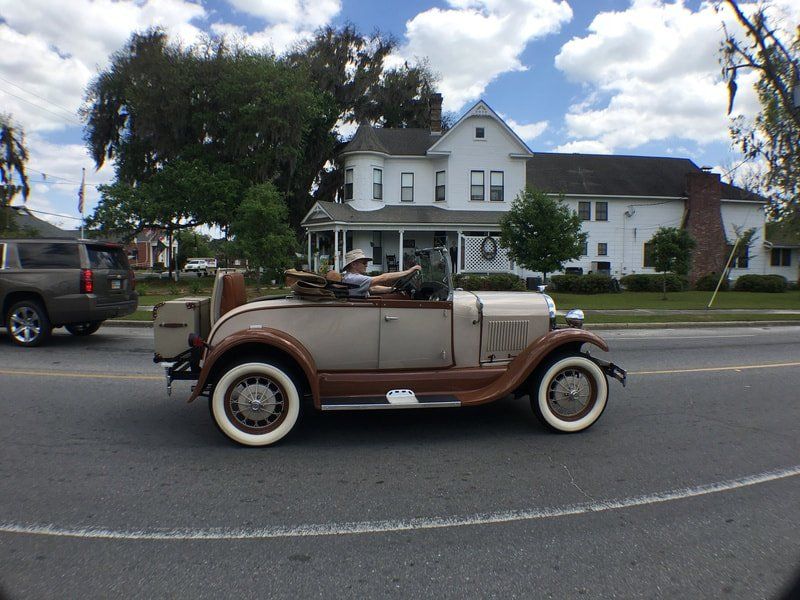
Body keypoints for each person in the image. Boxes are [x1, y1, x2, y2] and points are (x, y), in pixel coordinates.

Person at [340, 249, 421, 297]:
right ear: (353, 264)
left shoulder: (351, 277)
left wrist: (392, 289)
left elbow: (372, 289)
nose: (367, 265)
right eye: (364, 263)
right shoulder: (353, 278)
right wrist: (409, 271)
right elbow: (383, 278)